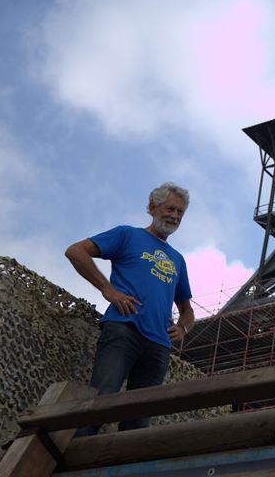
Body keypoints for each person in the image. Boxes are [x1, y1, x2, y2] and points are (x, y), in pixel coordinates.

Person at [65, 182, 195, 434]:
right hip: (123, 330)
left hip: (158, 346)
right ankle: (72, 455)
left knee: (137, 423)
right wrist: (108, 290)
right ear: (152, 207)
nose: (175, 216)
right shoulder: (127, 235)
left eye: (180, 212)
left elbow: (187, 311)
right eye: (170, 208)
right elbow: (75, 251)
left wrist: (183, 329)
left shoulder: (178, 260)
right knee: (99, 403)